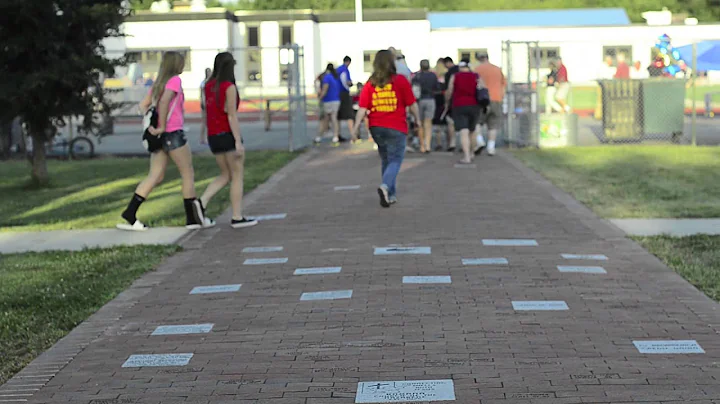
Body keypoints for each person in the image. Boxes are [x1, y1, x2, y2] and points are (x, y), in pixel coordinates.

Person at [117, 51, 209, 231]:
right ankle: (191, 219)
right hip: (172, 133)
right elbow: (166, 101)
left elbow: (143, 105)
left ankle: (130, 212)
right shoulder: (175, 81)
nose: (183, 65)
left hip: (159, 138)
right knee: (187, 173)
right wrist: (162, 125)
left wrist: (152, 123)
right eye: (182, 62)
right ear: (176, 65)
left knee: (156, 175)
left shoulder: (158, 83)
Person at [352, 50, 420, 208]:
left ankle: (390, 194)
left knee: (386, 159)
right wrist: (418, 120)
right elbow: (412, 104)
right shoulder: (400, 81)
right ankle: (385, 186)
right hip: (396, 126)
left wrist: (355, 128)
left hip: (376, 126)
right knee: (396, 159)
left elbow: (362, 108)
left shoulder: (371, 82)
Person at [198, 52, 258, 229]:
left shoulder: (208, 86)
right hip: (227, 134)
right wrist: (238, 141)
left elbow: (208, 111)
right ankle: (237, 216)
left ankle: (201, 202)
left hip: (213, 135)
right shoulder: (228, 87)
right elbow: (231, 115)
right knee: (237, 175)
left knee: (226, 174)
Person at [444, 60, 482, 164]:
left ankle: (466, 157)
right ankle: (472, 153)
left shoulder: (455, 76)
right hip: (474, 105)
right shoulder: (476, 76)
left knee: (463, 131)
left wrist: (447, 101)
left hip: (459, 105)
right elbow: (482, 89)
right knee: (472, 131)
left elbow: (450, 90)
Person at [474, 53, 506, 156]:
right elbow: (503, 85)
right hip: (496, 98)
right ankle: (491, 147)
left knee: (477, 122)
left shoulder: (477, 70)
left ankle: (479, 141)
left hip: (482, 99)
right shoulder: (497, 69)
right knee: (493, 124)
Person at [412, 59, 439, 153]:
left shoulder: (417, 76)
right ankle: (428, 145)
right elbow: (437, 88)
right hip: (430, 99)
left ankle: (422, 145)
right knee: (428, 123)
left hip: (419, 101)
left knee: (420, 123)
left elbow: (414, 89)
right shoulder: (433, 75)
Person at [315, 63, 342, 144]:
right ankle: (335, 136)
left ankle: (320, 135)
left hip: (328, 100)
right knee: (334, 118)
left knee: (325, 119)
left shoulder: (327, 77)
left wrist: (320, 97)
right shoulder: (335, 77)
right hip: (336, 99)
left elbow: (325, 89)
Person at [336, 56, 357, 142]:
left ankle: (337, 135)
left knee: (338, 116)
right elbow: (346, 82)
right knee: (349, 115)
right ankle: (353, 134)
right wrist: (350, 85)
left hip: (336, 94)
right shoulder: (345, 70)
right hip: (344, 93)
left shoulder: (337, 69)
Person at [442, 57, 460, 151]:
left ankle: (452, 143)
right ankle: (466, 144)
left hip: (454, 100)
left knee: (450, 122)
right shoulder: (462, 70)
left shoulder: (449, 74)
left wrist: (446, 102)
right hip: (467, 100)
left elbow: (448, 89)